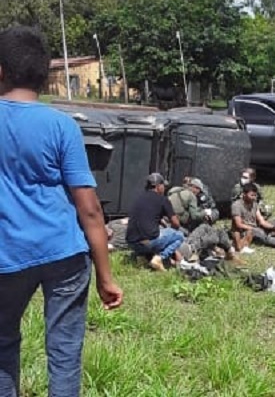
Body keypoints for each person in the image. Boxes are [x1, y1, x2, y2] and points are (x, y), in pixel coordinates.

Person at [0, 26, 122, 397]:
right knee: (65, 352)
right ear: (44, 74)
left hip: (7, 257)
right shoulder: (61, 126)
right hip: (64, 254)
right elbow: (89, 210)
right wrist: (105, 276)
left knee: (3, 345)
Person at [126, 173, 185, 272]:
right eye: (163, 186)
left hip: (131, 243)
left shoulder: (138, 198)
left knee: (148, 234)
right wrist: (169, 232)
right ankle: (159, 258)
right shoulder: (163, 199)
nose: (164, 188)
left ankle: (142, 258)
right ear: (158, 186)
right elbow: (176, 224)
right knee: (179, 236)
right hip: (148, 243)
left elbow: (146, 217)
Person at [231, 183, 275, 253]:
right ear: (244, 194)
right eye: (251, 195)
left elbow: (262, 221)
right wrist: (252, 228)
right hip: (244, 231)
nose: (254, 197)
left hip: (255, 226)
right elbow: (239, 224)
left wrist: (274, 227)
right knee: (259, 232)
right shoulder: (236, 205)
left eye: (255, 195)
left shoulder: (254, 204)